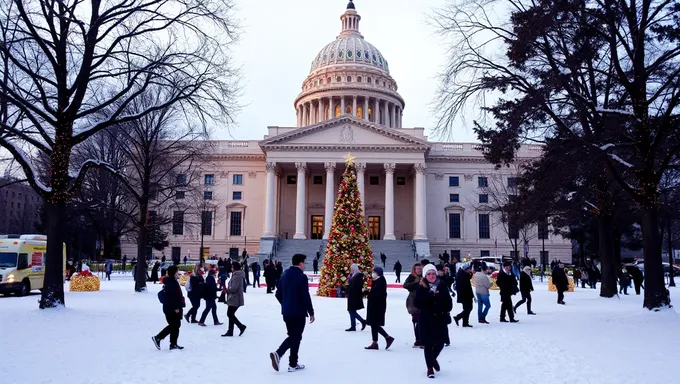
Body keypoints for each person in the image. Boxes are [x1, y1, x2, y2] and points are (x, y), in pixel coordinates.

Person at [270, 254, 315, 373]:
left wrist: (285, 304)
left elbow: (278, 294)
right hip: (298, 312)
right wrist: (311, 312)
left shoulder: (284, 275)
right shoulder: (301, 277)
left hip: (286, 312)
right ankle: (278, 353)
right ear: (300, 263)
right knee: (296, 336)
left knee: (294, 336)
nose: (304, 265)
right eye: (304, 263)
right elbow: (305, 295)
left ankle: (293, 363)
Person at [415, 263, 453, 379]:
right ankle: (429, 368)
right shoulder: (422, 287)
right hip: (426, 319)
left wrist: (447, 308)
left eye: (433, 274)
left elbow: (448, 300)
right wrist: (430, 296)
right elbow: (417, 303)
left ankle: (433, 358)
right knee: (428, 344)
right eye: (429, 274)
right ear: (425, 276)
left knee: (441, 343)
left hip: (440, 318)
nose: (431, 276)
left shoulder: (442, 286)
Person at [152, 265, 185, 350]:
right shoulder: (171, 283)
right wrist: (176, 308)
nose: (178, 273)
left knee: (176, 325)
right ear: (173, 273)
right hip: (171, 309)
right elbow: (172, 297)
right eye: (177, 271)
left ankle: (173, 344)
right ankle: (158, 337)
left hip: (171, 308)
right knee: (174, 325)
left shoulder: (172, 281)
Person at [364, 267, 395, 350]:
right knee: (373, 324)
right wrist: (367, 292)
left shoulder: (381, 281)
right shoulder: (376, 281)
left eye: (374, 272)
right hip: (373, 305)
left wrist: (368, 294)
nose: (372, 274)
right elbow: (374, 293)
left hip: (377, 306)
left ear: (378, 273)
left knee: (374, 324)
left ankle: (387, 337)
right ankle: (375, 342)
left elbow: (378, 295)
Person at [223, 261, 247, 337]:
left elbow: (234, 288)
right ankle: (230, 331)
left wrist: (227, 290)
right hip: (234, 297)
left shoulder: (237, 276)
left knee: (229, 314)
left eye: (232, 267)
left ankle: (241, 326)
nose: (231, 268)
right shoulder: (236, 275)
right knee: (231, 314)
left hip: (235, 298)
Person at [404, 263, 423, 348]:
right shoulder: (412, 277)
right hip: (413, 302)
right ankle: (418, 340)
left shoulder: (425, 276)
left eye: (420, 268)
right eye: (417, 269)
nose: (419, 270)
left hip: (423, 302)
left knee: (422, 322)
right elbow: (405, 285)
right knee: (416, 321)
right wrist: (416, 284)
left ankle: (422, 339)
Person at [345, 263, 367, 332]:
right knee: (351, 310)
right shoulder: (352, 275)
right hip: (351, 295)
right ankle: (353, 326)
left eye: (351, 268)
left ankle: (362, 321)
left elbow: (358, 286)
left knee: (351, 310)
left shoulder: (359, 275)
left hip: (355, 296)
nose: (350, 269)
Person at [453, 263, 474, 327]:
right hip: (465, 295)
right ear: (466, 269)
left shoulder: (462, 273)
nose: (470, 270)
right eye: (469, 269)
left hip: (465, 295)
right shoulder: (462, 275)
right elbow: (466, 286)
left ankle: (465, 322)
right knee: (468, 308)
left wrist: (471, 273)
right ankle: (458, 317)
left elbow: (469, 277)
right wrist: (471, 295)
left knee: (467, 308)